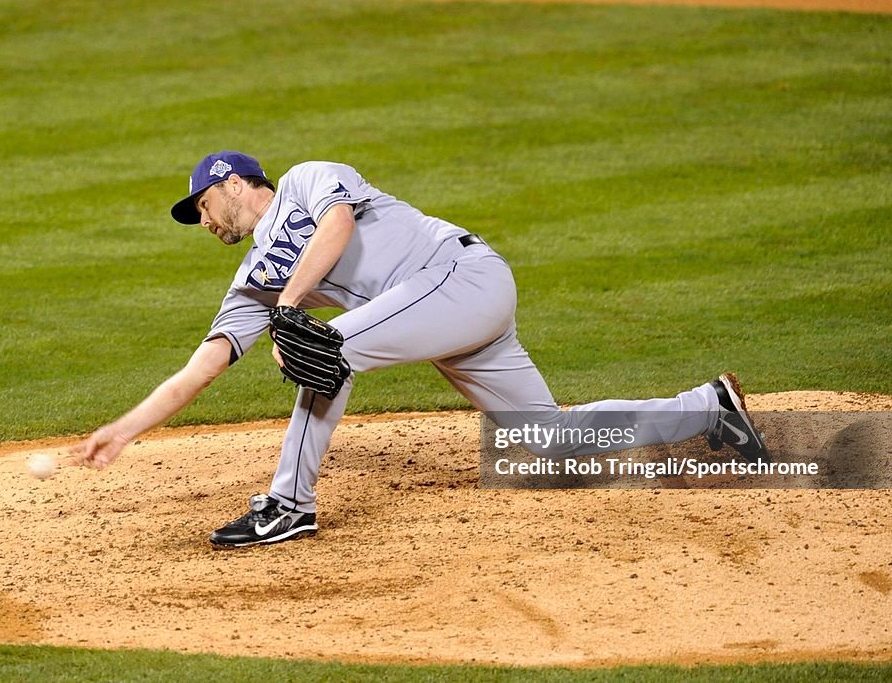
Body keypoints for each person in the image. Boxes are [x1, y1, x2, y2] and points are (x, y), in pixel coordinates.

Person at [74, 150, 770, 547]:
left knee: (326, 348)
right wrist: (124, 430)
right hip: (448, 314)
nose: (201, 222)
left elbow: (338, 225)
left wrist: (290, 309)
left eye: (200, 206)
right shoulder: (253, 279)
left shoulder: (306, 179)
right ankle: (710, 409)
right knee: (546, 439)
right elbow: (204, 364)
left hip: (460, 275)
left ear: (232, 184)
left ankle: (289, 504)